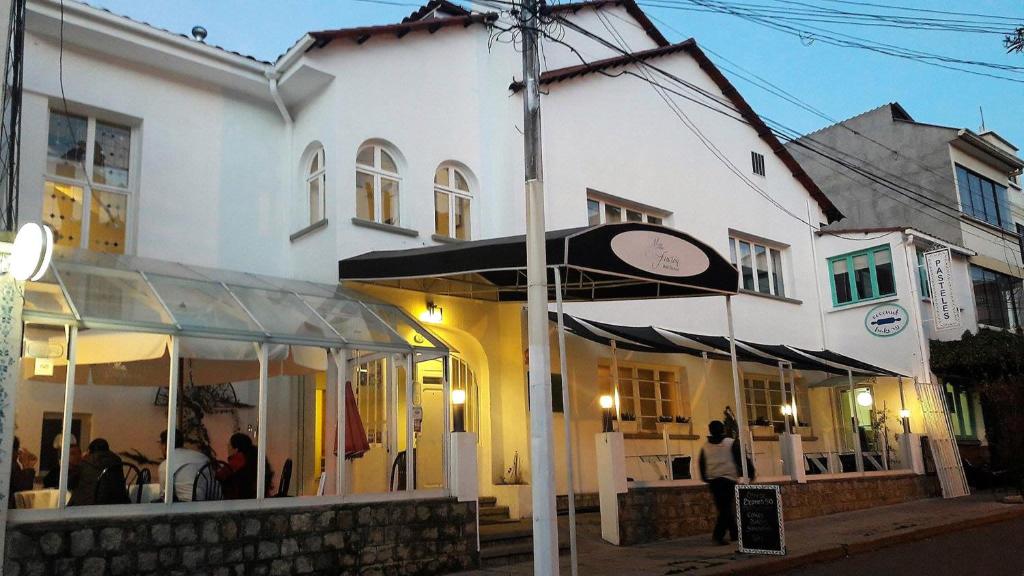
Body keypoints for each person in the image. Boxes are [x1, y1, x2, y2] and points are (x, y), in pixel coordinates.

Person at [699, 420, 751, 546]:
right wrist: (751, 471)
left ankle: (734, 533)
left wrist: (705, 477)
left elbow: (701, 463)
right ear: (722, 429)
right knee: (726, 509)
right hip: (728, 479)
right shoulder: (730, 443)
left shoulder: (705, 446)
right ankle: (718, 535)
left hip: (714, 480)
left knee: (724, 507)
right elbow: (741, 458)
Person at [68, 438, 130, 506]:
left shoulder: (86, 462)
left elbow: (70, 484)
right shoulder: (117, 460)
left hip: (90, 504)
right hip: (117, 502)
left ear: (89, 451)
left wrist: (82, 460)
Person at [157, 430, 209, 502]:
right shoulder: (202, 457)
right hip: (210, 501)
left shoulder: (167, 464)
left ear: (165, 445)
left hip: (184, 507)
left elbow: (164, 495)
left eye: (160, 445)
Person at [216, 433, 259, 500]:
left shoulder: (236, 461)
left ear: (236, 449)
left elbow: (219, 476)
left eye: (229, 445)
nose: (227, 447)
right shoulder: (253, 459)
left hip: (237, 500)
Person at [9, 437, 37, 508]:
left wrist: (28, 465)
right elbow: (24, 489)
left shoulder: (13, 465)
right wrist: (27, 466)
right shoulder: (10, 466)